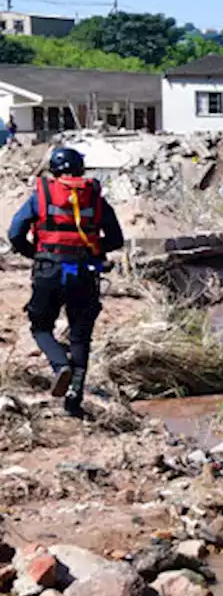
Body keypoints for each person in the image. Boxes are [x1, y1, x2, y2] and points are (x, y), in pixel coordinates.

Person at [7, 147, 124, 417]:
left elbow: (15, 233)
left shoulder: (41, 195)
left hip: (49, 270)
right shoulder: (95, 199)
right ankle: (74, 396)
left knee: (40, 327)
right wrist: (94, 250)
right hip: (82, 271)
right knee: (80, 336)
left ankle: (60, 367)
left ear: (54, 170)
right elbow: (116, 239)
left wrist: (35, 253)